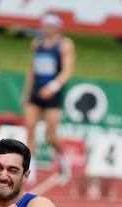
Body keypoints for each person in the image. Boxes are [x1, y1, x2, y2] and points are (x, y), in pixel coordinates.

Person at [22, 13, 75, 182]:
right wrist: (27, 92)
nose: (48, 28)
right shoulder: (36, 43)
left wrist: (52, 87)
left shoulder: (64, 44)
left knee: (50, 134)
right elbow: (32, 69)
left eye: (52, 25)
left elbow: (67, 71)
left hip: (53, 94)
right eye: (46, 24)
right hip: (36, 92)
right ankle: (31, 170)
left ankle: (64, 161)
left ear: (58, 27)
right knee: (30, 130)